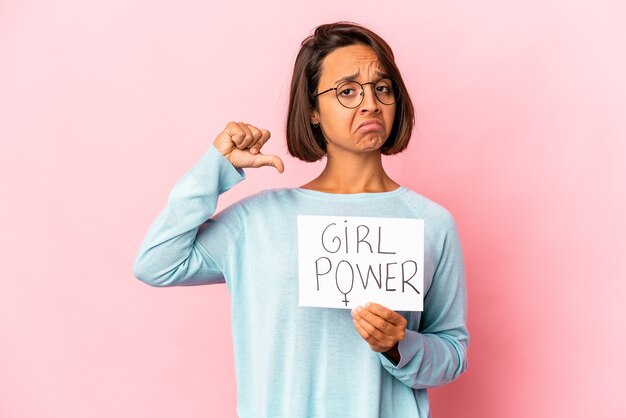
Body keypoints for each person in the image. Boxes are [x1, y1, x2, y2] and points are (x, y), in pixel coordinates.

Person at [133, 21, 468, 418]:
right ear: (311, 109)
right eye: (347, 91)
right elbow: (157, 263)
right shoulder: (257, 220)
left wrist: (400, 345)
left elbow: (452, 352)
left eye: (382, 87)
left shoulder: (431, 223)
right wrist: (214, 169)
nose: (370, 103)